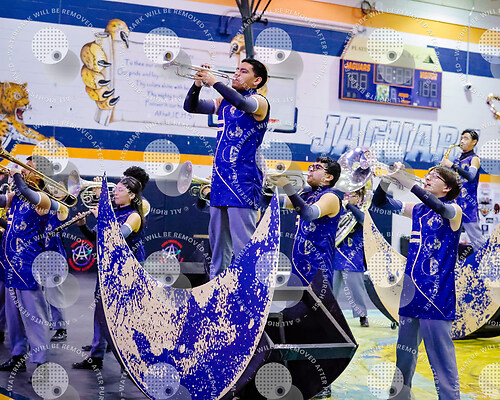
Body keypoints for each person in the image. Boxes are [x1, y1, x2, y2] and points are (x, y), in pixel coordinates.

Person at [372, 164, 462, 399]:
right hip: (411, 295)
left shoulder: (454, 210)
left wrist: (407, 181)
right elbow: (380, 203)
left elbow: (440, 207)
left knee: (441, 361)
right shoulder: (418, 210)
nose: (428, 178)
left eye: (435, 176)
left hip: (437, 298)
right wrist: (386, 180)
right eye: (428, 175)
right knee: (403, 357)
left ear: (447, 187)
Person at [183, 59, 269, 276]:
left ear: (257, 80)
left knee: (243, 245)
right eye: (236, 70)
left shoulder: (260, 101)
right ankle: (217, 288)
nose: (236, 74)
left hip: (244, 180)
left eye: (243, 71)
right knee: (218, 247)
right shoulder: (223, 102)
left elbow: (242, 103)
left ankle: (247, 289)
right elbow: (191, 107)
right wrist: (197, 84)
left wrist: (213, 81)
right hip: (220, 179)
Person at [72, 175, 145, 370]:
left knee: (123, 315)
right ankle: (96, 356)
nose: (115, 193)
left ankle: (129, 360)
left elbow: (118, 237)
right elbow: (96, 237)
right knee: (100, 312)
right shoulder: (112, 213)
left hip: (125, 272)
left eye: (120, 190)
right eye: (116, 189)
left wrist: (102, 218)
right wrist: (82, 226)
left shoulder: (134, 216)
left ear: (132, 195)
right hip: (107, 269)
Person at [0, 157, 61, 371]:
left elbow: (28, 193)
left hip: (28, 264)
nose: (24, 171)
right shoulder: (16, 196)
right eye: (24, 168)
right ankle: (18, 356)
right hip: (10, 264)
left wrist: (15, 174)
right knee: (13, 317)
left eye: (29, 168)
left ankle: (41, 361)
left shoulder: (44, 198)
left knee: (34, 316)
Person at [269, 156, 342, 285]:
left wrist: (286, 185)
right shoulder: (305, 195)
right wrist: (269, 184)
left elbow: (308, 214)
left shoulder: (331, 197)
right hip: (298, 265)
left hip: (318, 268)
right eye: (311, 167)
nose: (311, 170)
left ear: (329, 177)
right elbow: (269, 203)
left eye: (317, 168)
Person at [441, 129, 485, 251]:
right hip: (454, 204)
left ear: (474, 142)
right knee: (449, 239)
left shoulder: (474, 159)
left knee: (477, 240)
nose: (462, 141)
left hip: (468, 205)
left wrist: (452, 166)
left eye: (466, 138)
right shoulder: (457, 160)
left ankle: (487, 261)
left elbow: (471, 176)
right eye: (461, 138)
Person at [332, 188, 370, 327]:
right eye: (346, 195)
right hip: (336, 253)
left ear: (359, 197)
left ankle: (362, 316)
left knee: (356, 289)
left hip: (353, 255)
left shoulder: (362, 211)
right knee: (331, 288)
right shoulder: (339, 210)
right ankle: (329, 314)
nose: (347, 197)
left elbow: (363, 220)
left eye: (351, 195)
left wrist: (349, 205)